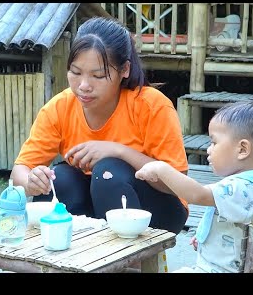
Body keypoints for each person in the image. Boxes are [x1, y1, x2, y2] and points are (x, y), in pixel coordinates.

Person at [10, 16, 189, 234]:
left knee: (108, 171)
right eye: (75, 73)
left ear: (124, 70)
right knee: (61, 178)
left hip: (159, 209)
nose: (84, 86)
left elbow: (178, 184)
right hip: (94, 206)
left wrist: (117, 151)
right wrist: (32, 181)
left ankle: (126, 260)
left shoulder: (151, 105)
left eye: (98, 75)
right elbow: (20, 170)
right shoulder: (59, 107)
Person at [135, 99, 253, 273]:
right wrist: (206, 236)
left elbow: (197, 195)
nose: (208, 149)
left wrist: (161, 168)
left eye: (214, 142)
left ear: (242, 149)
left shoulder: (238, 187)